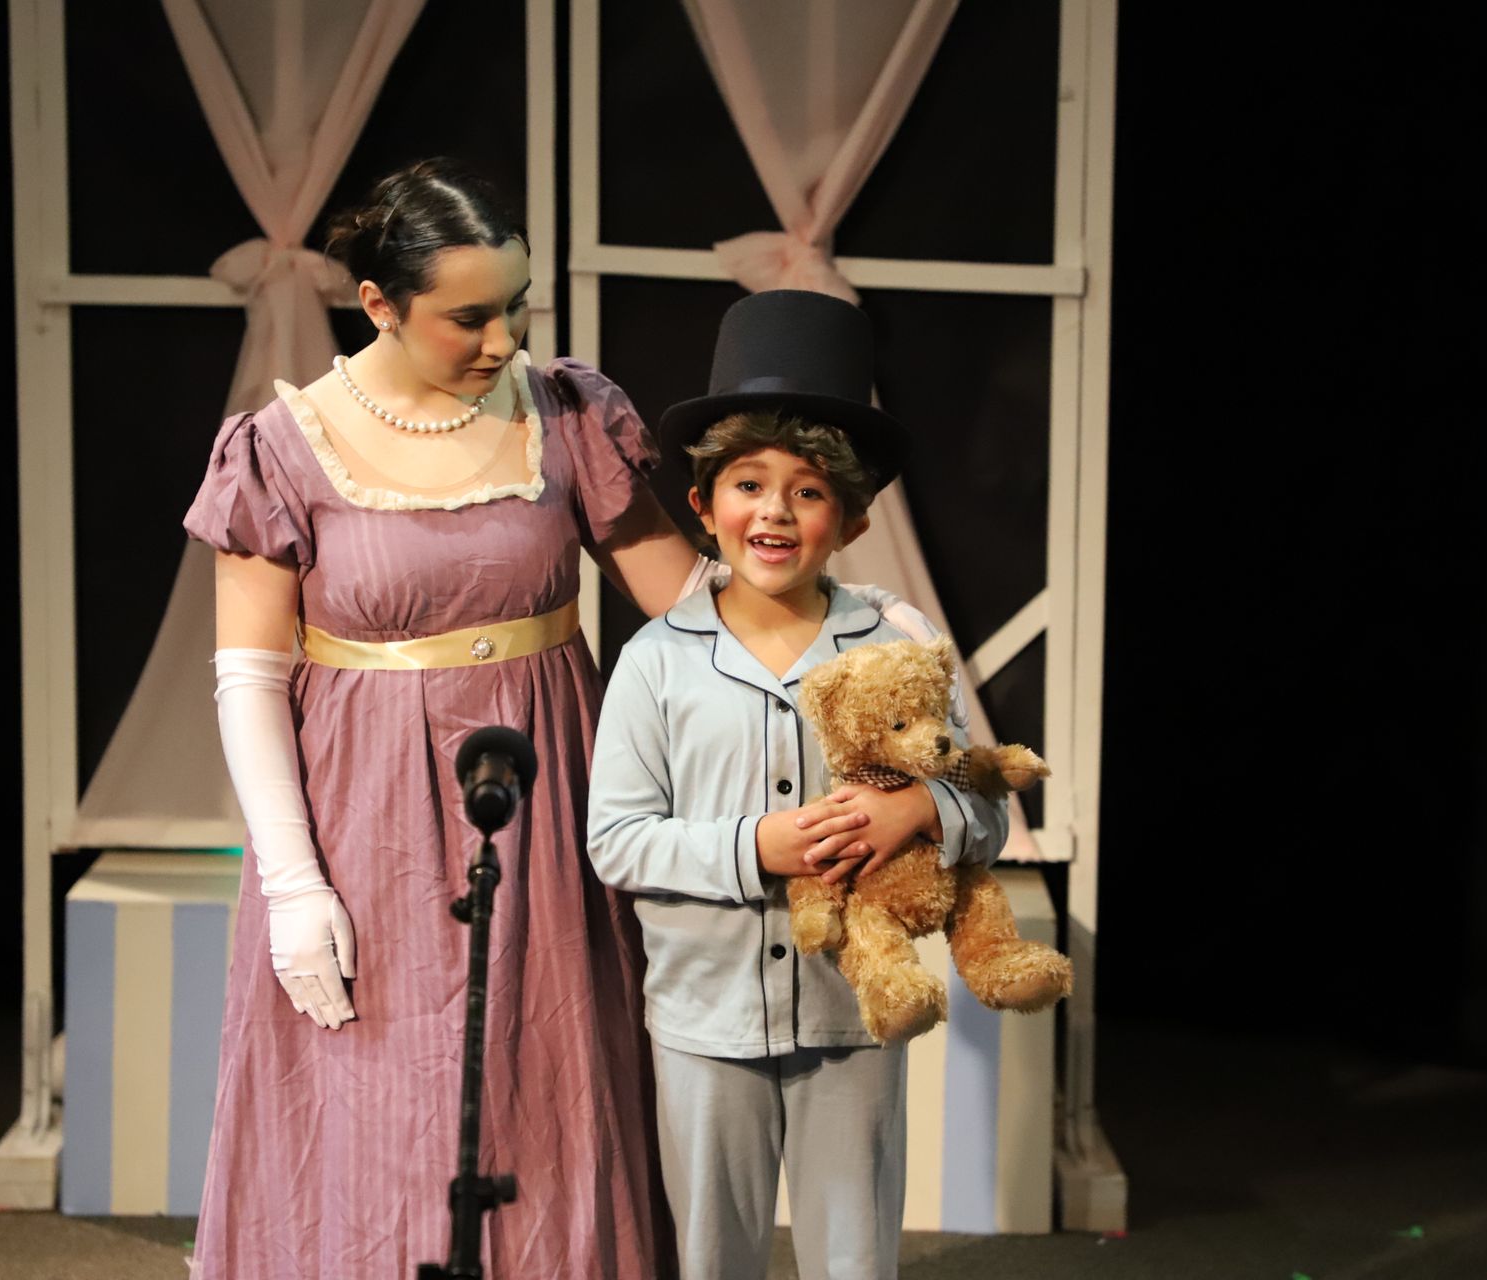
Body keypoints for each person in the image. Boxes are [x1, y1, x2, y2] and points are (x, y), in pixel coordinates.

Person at [182, 160, 931, 1278]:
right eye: (469, 316)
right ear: (379, 304)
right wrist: (293, 882)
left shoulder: (566, 411)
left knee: (545, 1080)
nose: (501, 338)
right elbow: (247, 676)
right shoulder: (282, 448)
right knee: (375, 1086)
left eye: (517, 304)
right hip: (363, 808)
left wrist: (859, 629)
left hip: (544, 791)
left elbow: (695, 606)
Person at [585, 290, 1009, 1280]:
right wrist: (753, 848)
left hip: (851, 1019)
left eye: (809, 490)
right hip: (702, 1025)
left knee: (853, 1256)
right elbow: (616, 837)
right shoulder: (656, 659)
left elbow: (987, 801)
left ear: (852, 518)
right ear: (703, 503)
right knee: (709, 1255)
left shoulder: (896, 643)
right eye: (747, 483)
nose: (773, 511)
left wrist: (921, 807)